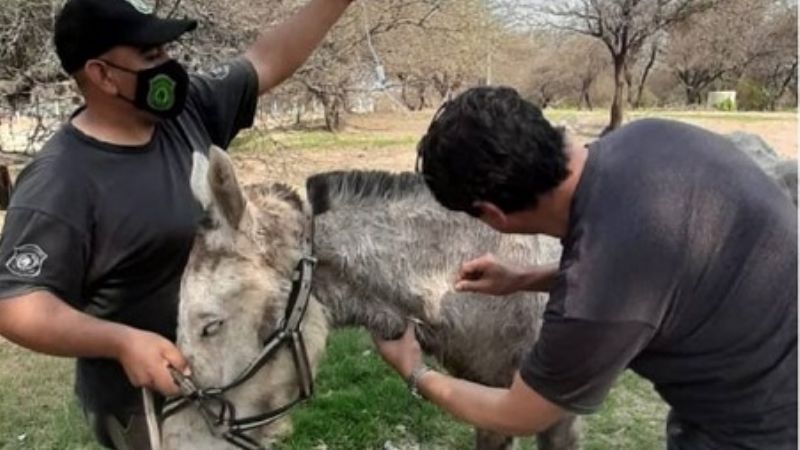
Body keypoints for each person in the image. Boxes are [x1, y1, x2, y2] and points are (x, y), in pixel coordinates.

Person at [0, 0, 356, 447]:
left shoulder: (187, 111)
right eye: (151, 56)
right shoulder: (61, 180)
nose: (169, 65)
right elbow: (17, 306)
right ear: (102, 74)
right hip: (148, 407)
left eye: (167, 50)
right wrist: (122, 342)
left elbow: (267, 59)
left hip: (221, 377)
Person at [374, 86, 797, 449]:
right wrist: (523, 279)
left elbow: (519, 414)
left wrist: (415, 371)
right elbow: (661, 273)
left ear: (492, 214)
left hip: (759, 428)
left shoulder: (595, 291)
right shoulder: (647, 136)